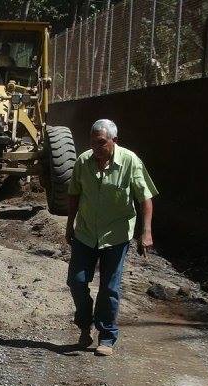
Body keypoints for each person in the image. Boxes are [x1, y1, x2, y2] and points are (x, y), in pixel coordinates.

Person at [64, 118, 158, 357]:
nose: (96, 147)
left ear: (114, 141)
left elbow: (144, 198)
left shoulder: (130, 161)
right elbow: (74, 194)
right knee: (76, 281)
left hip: (116, 235)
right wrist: (69, 224)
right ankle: (85, 326)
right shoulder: (83, 161)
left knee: (109, 287)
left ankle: (106, 336)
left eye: (101, 143)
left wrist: (145, 231)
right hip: (85, 232)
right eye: (93, 142)